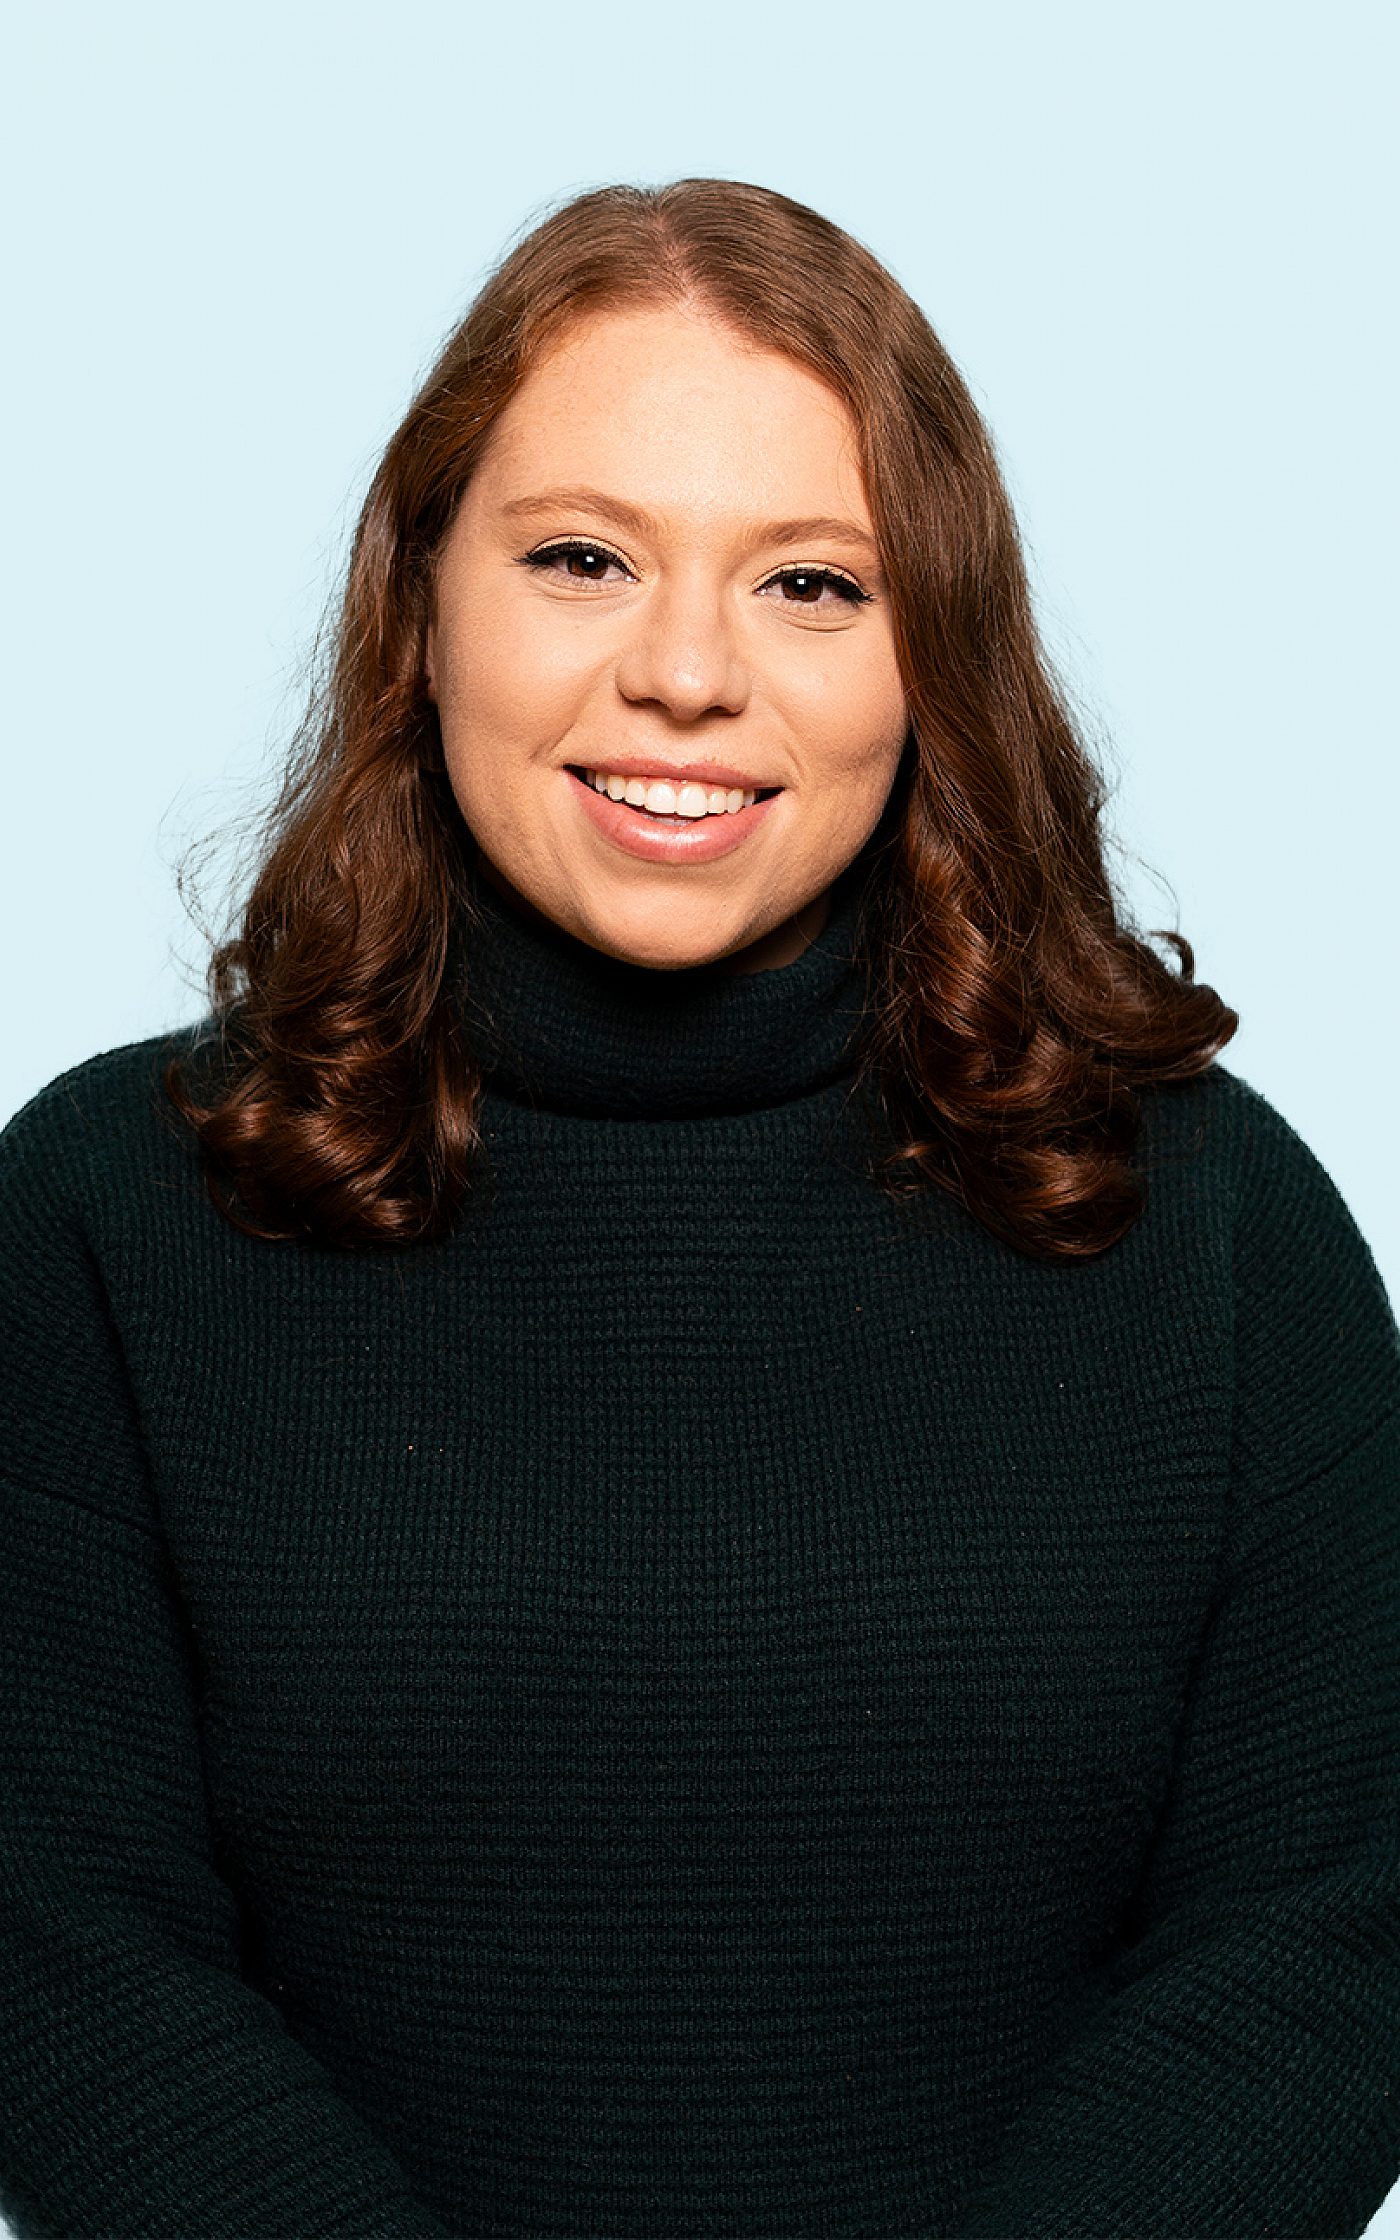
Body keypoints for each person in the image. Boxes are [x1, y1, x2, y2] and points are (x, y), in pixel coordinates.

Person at [0, 175, 1396, 2240]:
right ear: (422, 602)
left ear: (933, 648)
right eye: (579, 557)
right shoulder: (108, 1213)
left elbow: (1323, 1938)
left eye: (810, 586)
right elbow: (61, 1956)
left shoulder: (1213, 1218)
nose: (684, 674)